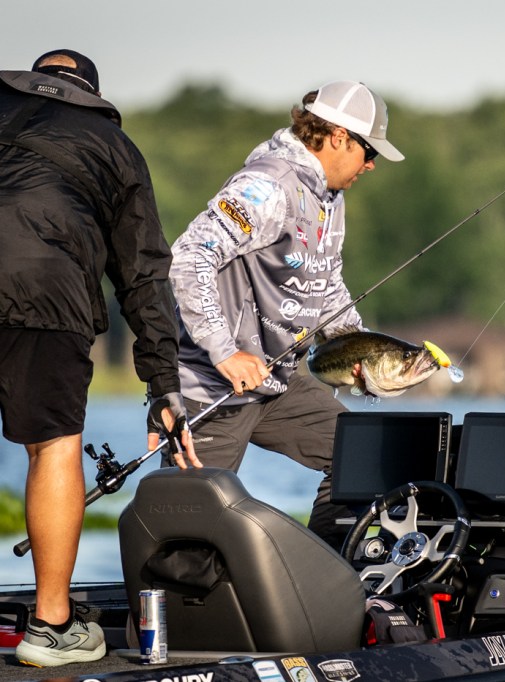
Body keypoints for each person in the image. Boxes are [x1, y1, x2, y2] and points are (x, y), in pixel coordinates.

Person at [0, 50, 201, 667]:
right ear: (89, 94)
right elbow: (143, 277)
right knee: (53, 447)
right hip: (44, 291)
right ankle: (51, 627)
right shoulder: (115, 147)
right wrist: (163, 384)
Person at [168, 80, 404, 548]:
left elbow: (325, 283)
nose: (371, 164)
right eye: (369, 150)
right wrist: (224, 352)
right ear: (339, 136)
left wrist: (361, 350)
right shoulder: (266, 187)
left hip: (278, 380)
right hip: (215, 387)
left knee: (365, 455)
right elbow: (189, 257)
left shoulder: (330, 199)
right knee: (189, 537)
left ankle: (324, 572)